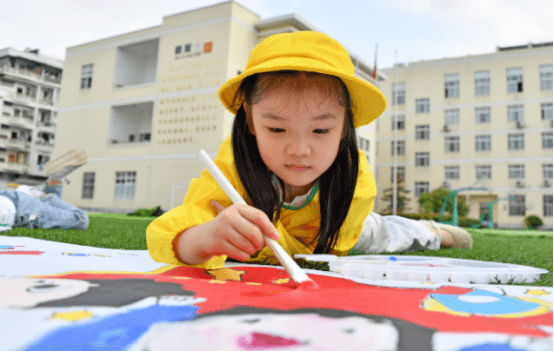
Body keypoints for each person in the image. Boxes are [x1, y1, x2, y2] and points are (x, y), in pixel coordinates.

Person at [146, 31, 472, 269]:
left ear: (345, 124)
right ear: (249, 117)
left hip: (337, 223)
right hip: (288, 232)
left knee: (384, 233)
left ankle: (430, 232)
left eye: (320, 130)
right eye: (276, 128)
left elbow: (326, 251)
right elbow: (175, 228)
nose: (300, 150)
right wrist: (202, 238)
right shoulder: (231, 161)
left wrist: (260, 243)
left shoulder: (355, 176)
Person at [0, 149, 90, 231]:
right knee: (53, 210)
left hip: (22, 211)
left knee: (81, 219)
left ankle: (40, 195)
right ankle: (53, 182)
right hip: (10, 199)